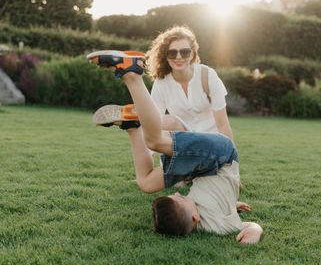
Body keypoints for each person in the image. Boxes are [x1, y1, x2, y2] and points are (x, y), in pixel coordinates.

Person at [87, 50, 263, 243]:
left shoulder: (202, 217)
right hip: (221, 155)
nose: (179, 192)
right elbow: (252, 225)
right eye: (181, 198)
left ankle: (132, 126)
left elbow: (211, 203)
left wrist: (229, 204)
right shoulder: (220, 227)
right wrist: (254, 231)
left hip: (201, 167)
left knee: (146, 183)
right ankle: (132, 71)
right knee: (154, 141)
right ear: (195, 218)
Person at [147, 25, 234, 139]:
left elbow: (222, 124)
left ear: (192, 54)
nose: (178, 57)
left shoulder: (207, 75)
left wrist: (231, 155)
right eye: (172, 53)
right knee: (166, 121)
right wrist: (149, 154)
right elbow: (154, 123)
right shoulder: (161, 83)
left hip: (213, 142)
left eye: (185, 52)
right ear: (166, 56)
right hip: (183, 144)